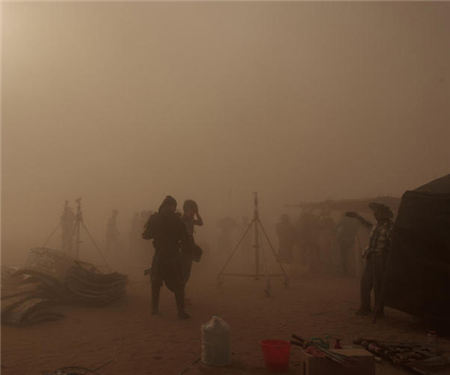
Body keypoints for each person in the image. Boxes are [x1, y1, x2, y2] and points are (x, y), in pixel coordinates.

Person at [143, 196, 191, 319]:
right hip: (172, 256)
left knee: (156, 282)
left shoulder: (155, 218)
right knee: (178, 285)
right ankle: (180, 312)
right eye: (173, 206)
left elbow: (146, 235)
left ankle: (154, 310)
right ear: (171, 206)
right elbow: (185, 238)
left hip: (160, 255)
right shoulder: (176, 219)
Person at [348, 203, 394, 316]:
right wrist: (357, 217)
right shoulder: (377, 225)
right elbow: (367, 224)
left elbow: (392, 245)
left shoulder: (389, 227)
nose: (375, 214)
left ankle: (378, 310)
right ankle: (365, 307)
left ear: (383, 214)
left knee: (378, 285)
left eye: (377, 212)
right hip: (371, 257)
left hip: (380, 258)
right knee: (365, 283)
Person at [181, 199, 203, 286]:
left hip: (189, 244)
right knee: (185, 270)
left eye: (194, 210)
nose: (193, 212)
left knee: (187, 270)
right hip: (184, 244)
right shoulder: (183, 219)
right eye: (192, 210)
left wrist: (197, 213)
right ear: (186, 209)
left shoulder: (190, 219)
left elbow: (201, 223)